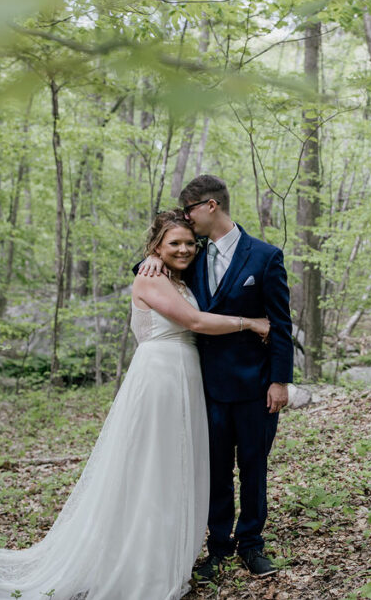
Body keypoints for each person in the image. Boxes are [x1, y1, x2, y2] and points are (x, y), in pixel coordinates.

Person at [0, 211, 269, 600]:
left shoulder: (176, 275)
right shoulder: (148, 277)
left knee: (175, 467)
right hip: (159, 377)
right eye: (174, 244)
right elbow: (196, 321)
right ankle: (140, 563)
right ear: (156, 247)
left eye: (190, 242)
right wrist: (252, 323)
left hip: (186, 376)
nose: (185, 249)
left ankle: (168, 552)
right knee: (150, 467)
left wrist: (157, 256)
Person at [137, 174, 292, 581]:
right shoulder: (193, 257)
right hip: (206, 387)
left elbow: (280, 323)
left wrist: (280, 381)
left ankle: (252, 546)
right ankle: (219, 548)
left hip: (256, 386)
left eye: (188, 211)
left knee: (254, 468)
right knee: (216, 470)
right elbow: (159, 274)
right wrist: (148, 259)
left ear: (209, 206)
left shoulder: (264, 256)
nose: (186, 223)